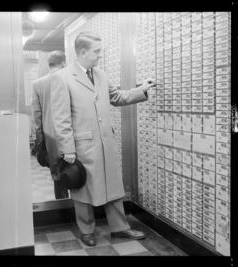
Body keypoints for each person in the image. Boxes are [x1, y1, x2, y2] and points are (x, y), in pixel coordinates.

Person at [49, 32, 156, 246]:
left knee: (113, 185)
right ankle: (86, 230)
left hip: (106, 142)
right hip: (81, 145)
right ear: (82, 52)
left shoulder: (100, 74)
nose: (100, 55)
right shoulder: (62, 78)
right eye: (97, 51)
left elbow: (116, 97)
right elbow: (60, 118)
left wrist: (141, 90)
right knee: (82, 188)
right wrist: (67, 148)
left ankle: (120, 228)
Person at [31, 50, 69, 199]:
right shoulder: (69, 79)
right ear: (64, 63)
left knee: (58, 178)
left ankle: (64, 210)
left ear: (49, 64)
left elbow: (37, 116)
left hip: (51, 137)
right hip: (73, 134)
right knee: (79, 173)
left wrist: (40, 141)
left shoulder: (37, 84)